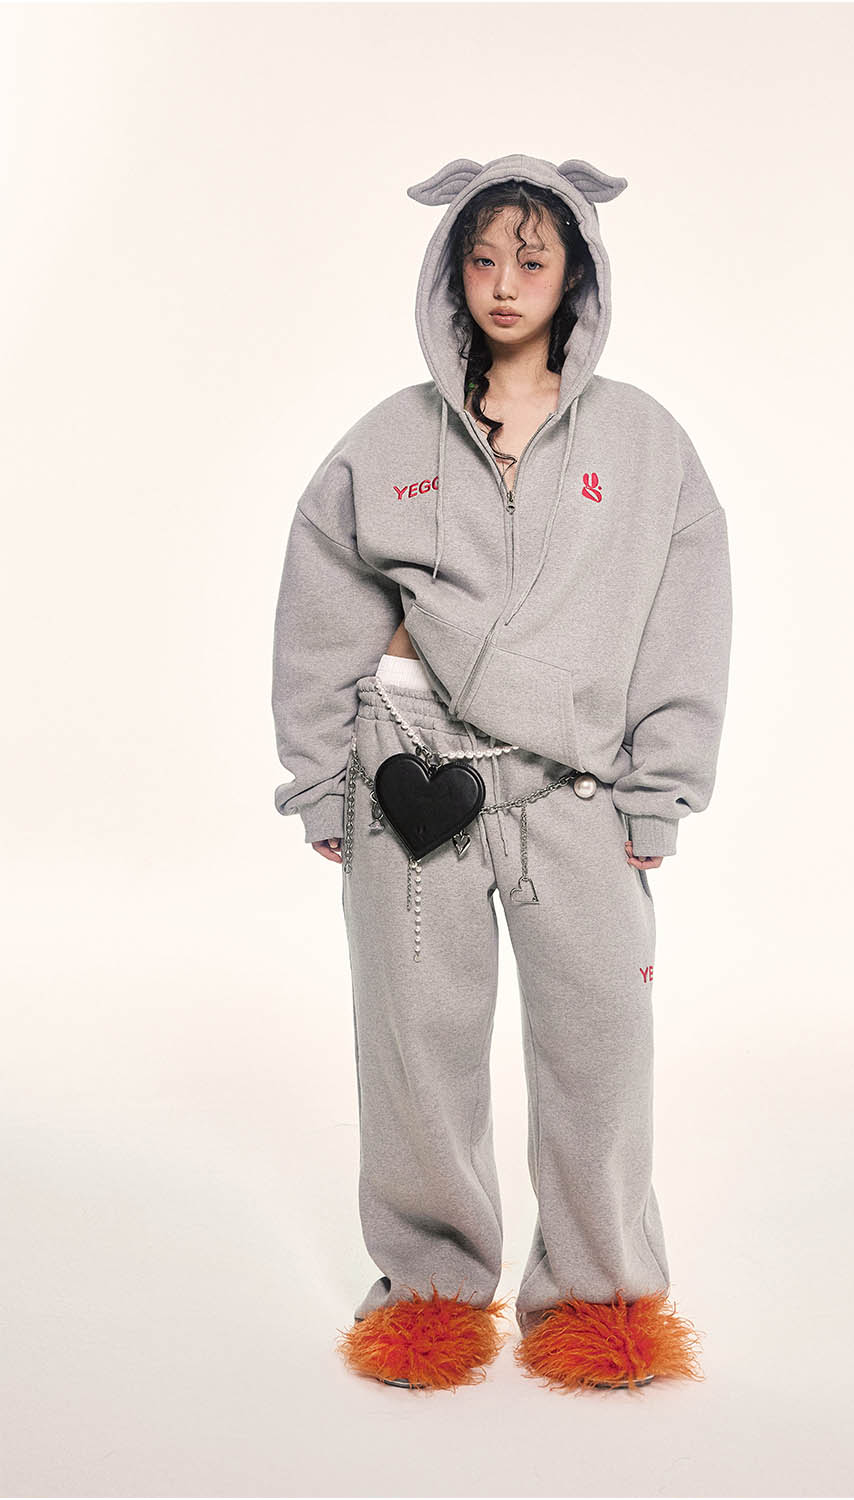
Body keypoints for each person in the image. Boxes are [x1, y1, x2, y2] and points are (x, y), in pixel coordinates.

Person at [270, 153, 733, 1393]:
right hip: (407, 784)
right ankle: (429, 1296)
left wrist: (661, 787)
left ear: (575, 271)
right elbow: (321, 600)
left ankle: (601, 1298)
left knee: (602, 1051)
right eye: (480, 260)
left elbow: (686, 618)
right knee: (415, 1049)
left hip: (579, 793)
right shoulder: (388, 439)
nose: (504, 283)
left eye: (531, 258)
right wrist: (319, 777)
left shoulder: (644, 441)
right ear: (448, 274)